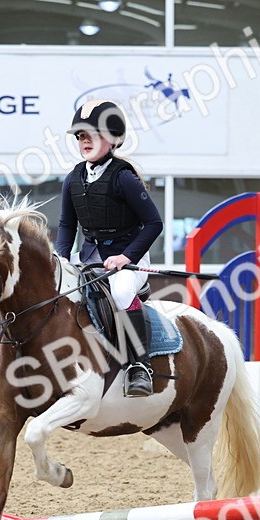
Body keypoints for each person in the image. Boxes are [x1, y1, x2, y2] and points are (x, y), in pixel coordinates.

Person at [54, 100, 163, 397]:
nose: (83, 141)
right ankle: (29, 358)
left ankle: (138, 367)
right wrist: (61, 257)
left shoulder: (123, 178)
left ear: (113, 139)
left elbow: (153, 224)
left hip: (129, 255)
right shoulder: (74, 178)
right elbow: (67, 226)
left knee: (122, 292)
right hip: (90, 256)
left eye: (92, 134)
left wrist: (126, 257)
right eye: (79, 136)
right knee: (50, 286)